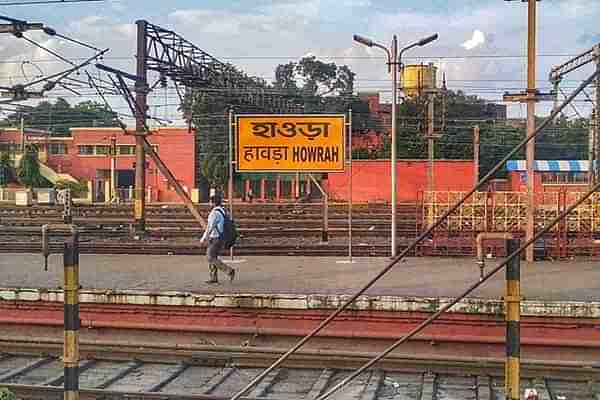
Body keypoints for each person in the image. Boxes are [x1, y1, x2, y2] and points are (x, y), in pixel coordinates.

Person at [200, 194, 236, 284]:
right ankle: (213, 278)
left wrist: (203, 238)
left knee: (210, 257)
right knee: (213, 256)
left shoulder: (214, 213)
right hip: (220, 237)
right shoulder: (222, 211)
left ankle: (229, 270)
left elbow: (210, 227)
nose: (208, 203)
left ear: (213, 203)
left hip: (215, 238)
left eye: (210, 201)